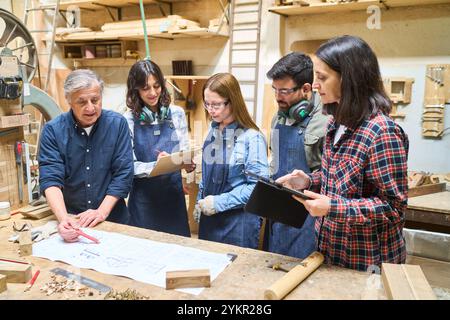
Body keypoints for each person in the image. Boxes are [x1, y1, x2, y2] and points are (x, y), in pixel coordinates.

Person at [276, 35, 409, 271]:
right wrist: (308, 180)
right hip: (329, 252)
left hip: (366, 263)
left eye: (322, 78)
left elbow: (393, 208)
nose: (315, 86)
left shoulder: (382, 132)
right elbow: (340, 181)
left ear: (349, 79)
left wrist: (332, 207)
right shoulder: (335, 124)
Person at [39, 69, 134, 242]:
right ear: (69, 100)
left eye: (95, 100)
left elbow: (123, 174)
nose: (90, 107)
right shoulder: (53, 131)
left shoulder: (117, 125)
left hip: (114, 219)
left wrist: (101, 212)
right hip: (74, 221)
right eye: (81, 102)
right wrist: (64, 219)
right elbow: (51, 179)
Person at [264, 52, 329, 258]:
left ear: (306, 88)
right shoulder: (278, 119)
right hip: (280, 212)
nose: (277, 97)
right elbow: (275, 161)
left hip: (311, 216)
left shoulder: (327, 120)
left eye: (284, 91)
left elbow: (330, 178)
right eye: (274, 89)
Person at [194, 73, 269, 249]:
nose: (211, 110)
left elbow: (258, 188)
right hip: (210, 219)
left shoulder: (252, 138)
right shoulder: (213, 132)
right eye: (207, 104)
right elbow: (207, 176)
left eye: (217, 104)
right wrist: (200, 201)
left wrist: (218, 203)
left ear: (232, 101)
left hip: (237, 224)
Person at [124, 59, 195, 237]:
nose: (153, 92)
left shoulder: (176, 113)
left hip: (173, 198)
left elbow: (184, 151)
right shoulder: (128, 120)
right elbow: (128, 166)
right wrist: (160, 165)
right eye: (146, 88)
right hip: (144, 202)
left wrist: (185, 163)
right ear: (135, 90)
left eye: (157, 86)